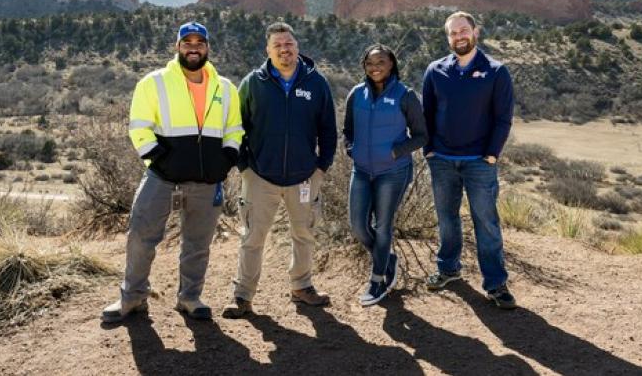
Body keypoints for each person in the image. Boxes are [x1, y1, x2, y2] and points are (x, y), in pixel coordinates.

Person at [101, 21, 243, 323]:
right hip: (162, 178)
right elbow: (139, 125)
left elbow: (234, 129)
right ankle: (133, 297)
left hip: (207, 180)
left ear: (207, 47)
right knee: (141, 234)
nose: (193, 47)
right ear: (177, 47)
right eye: (187, 42)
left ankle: (190, 298)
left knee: (198, 244)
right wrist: (157, 160)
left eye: (199, 42)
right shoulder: (154, 83)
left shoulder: (226, 88)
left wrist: (227, 159)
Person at [222, 22, 337, 318]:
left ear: (297, 47)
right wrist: (245, 167)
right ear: (268, 50)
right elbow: (235, 127)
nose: (284, 50)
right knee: (252, 238)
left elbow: (328, 130)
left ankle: (302, 286)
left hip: (304, 176)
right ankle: (243, 296)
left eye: (289, 44)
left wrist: (321, 169)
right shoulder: (253, 83)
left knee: (304, 234)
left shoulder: (316, 83)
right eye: (278, 45)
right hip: (260, 176)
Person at [421, 11, 517, 309]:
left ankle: (496, 284)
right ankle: (448, 269)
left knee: (485, 222)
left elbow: (503, 118)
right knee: (447, 219)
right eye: (453, 32)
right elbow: (426, 114)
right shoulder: (435, 70)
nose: (459, 36)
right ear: (447, 37)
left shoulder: (496, 71)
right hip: (443, 160)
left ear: (476, 32)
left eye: (464, 30)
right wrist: (429, 150)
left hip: (479, 161)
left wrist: (491, 154)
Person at [343, 44, 427, 306]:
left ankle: (378, 280)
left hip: (393, 171)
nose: (375, 67)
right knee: (358, 225)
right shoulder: (356, 94)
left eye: (380, 62)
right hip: (362, 170)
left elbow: (423, 135)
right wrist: (351, 149)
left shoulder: (406, 95)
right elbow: (347, 130)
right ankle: (387, 259)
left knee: (383, 226)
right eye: (369, 63)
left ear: (391, 64)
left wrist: (396, 152)